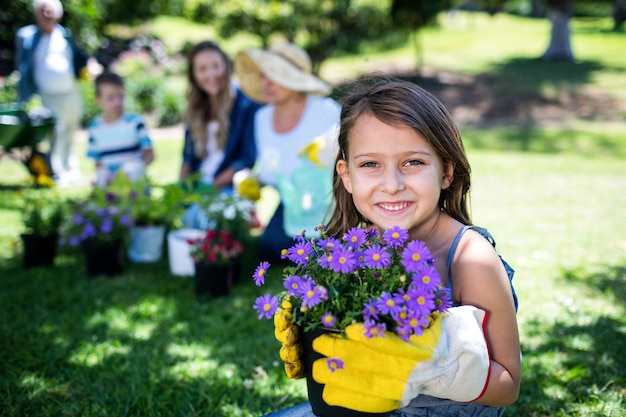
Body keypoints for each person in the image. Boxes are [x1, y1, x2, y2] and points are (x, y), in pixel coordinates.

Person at [267, 77, 521, 416]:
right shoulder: (356, 248)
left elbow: (508, 386)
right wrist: (310, 322)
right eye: (370, 164)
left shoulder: (470, 258)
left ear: (446, 170)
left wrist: (435, 365)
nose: (391, 185)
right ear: (346, 175)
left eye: (413, 162)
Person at [234, 43, 341, 261]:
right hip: (293, 206)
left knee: (320, 253)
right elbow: (270, 170)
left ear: (296, 80)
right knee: (271, 248)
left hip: (330, 205)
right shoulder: (262, 118)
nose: (266, 83)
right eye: (263, 76)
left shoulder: (326, 111)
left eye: (275, 76)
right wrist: (252, 181)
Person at [15, 0, 90, 186]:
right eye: (42, 11)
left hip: (70, 92)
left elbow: (80, 58)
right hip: (47, 95)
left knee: (71, 132)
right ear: (36, 14)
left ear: (58, 14)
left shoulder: (65, 35)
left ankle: (72, 170)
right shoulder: (29, 37)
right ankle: (57, 173)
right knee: (56, 133)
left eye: (50, 11)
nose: (46, 15)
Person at [180, 40, 259, 190]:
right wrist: (182, 189)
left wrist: (212, 187)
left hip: (228, 187)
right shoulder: (195, 108)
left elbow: (246, 159)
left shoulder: (246, 105)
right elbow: (187, 159)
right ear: (194, 74)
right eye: (202, 69)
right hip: (197, 185)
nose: (211, 74)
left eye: (216, 66)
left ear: (226, 66)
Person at [86, 71, 154, 186]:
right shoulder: (94, 128)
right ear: (98, 100)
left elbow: (150, 154)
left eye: (120, 96)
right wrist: (100, 180)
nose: (117, 102)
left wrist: (136, 169)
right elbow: (98, 162)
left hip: (136, 188)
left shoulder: (136, 123)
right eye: (110, 98)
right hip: (111, 190)